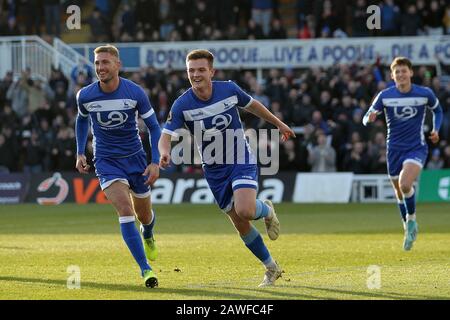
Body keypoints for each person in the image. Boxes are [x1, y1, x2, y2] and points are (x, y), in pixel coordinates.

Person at [158, 49, 296, 287]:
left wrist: (279, 124)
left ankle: (266, 210)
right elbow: (166, 134)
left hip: (239, 156)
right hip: (213, 169)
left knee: (245, 210)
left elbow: (253, 107)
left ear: (212, 71)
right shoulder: (182, 104)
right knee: (240, 223)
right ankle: (271, 268)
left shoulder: (229, 89)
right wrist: (164, 151)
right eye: (191, 70)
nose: (196, 74)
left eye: (201, 69)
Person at [75, 45, 161, 288]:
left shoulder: (135, 92)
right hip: (106, 161)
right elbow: (81, 121)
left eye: (105, 62)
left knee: (144, 215)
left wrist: (155, 161)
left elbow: (154, 126)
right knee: (125, 210)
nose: (100, 67)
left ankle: (148, 233)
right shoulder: (85, 95)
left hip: (135, 159)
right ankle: (145, 269)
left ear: (117, 65)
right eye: (97, 63)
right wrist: (80, 151)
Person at [363, 57, 443, 251]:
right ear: (392, 76)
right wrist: (370, 118)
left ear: (411, 73)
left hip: (416, 147)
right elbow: (366, 117)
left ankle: (412, 220)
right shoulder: (385, 95)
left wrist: (436, 129)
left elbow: (438, 111)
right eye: (397, 72)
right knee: (399, 192)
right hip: (394, 149)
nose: (401, 74)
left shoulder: (424, 93)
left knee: (405, 184)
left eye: (404, 71)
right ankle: (407, 227)